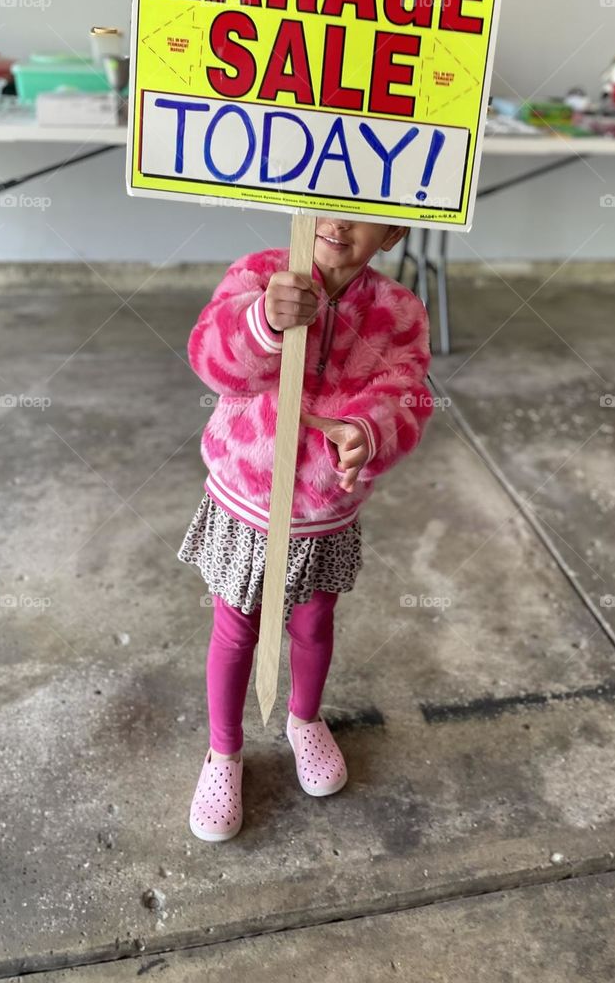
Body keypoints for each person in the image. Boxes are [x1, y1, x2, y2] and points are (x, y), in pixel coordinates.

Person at [178, 216, 434, 841]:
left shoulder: (398, 311)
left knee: (315, 621)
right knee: (236, 627)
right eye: (322, 202)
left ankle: (304, 719)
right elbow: (210, 358)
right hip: (248, 499)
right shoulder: (261, 274)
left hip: (324, 511)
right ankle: (224, 753)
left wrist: (368, 431)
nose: (337, 223)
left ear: (395, 234)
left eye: (363, 213)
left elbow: (408, 390)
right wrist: (261, 322)